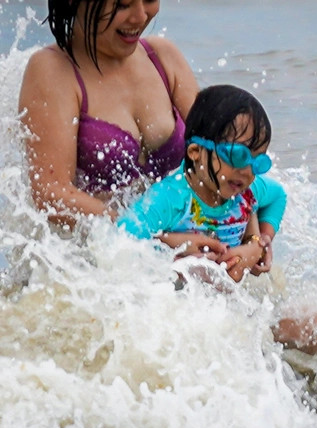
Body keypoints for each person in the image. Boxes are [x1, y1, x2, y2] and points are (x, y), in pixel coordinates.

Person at [19, 0, 201, 227]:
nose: (141, 16)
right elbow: (50, 194)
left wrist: (254, 238)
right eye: (122, 4)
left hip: (174, 251)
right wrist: (144, 236)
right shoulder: (53, 71)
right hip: (89, 267)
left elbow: (220, 155)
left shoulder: (164, 58)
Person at [118, 85, 286, 284]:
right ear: (195, 152)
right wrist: (173, 245)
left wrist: (259, 243)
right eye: (237, 156)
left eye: (258, 162)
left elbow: (278, 196)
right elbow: (120, 241)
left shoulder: (246, 190)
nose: (248, 171)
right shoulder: (171, 197)